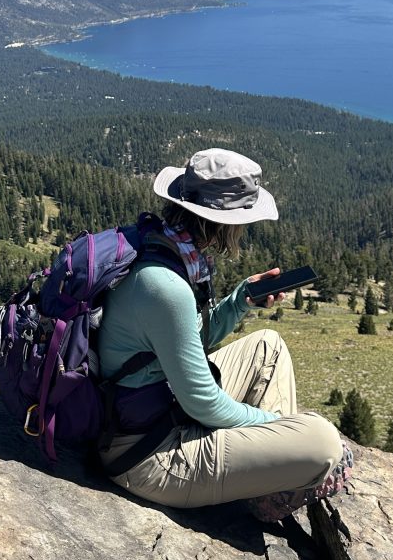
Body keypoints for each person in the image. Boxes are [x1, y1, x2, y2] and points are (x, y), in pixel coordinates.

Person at [98, 147, 352, 520]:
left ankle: (269, 467)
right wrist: (279, 426)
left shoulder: (163, 245)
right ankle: (273, 475)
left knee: (268, 346)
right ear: (225, 220)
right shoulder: (166, 285)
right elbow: (203, 404)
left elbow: (187, 341)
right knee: (324, 442)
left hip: (159, 406)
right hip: (148, 454)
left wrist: (240, 300)